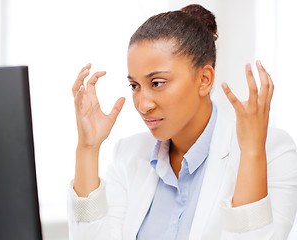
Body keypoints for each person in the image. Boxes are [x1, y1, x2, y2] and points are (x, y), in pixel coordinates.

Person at [67, 4, 297, 240]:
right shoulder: (129, 154)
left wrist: (250, 153)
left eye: (157, 83)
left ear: (204, 79)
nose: (143, 104)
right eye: (134, 86)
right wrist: (88, 148)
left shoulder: (271, 153)